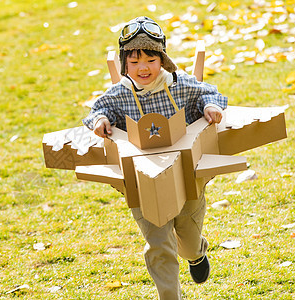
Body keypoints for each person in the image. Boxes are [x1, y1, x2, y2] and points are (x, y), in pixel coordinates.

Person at [82, 16, 227, 299]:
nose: (142, 68)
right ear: (125, 64)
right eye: (134, 62)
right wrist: (100, 121)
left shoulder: (180, 85)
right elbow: (95, 111)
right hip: (143, 179)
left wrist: (209, 106)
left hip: (185, 176)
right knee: (159, 246)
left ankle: (196, 254)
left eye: (150, 59)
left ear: (162, 58)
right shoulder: (119, 94)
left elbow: (212, 94)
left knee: (186, 239)